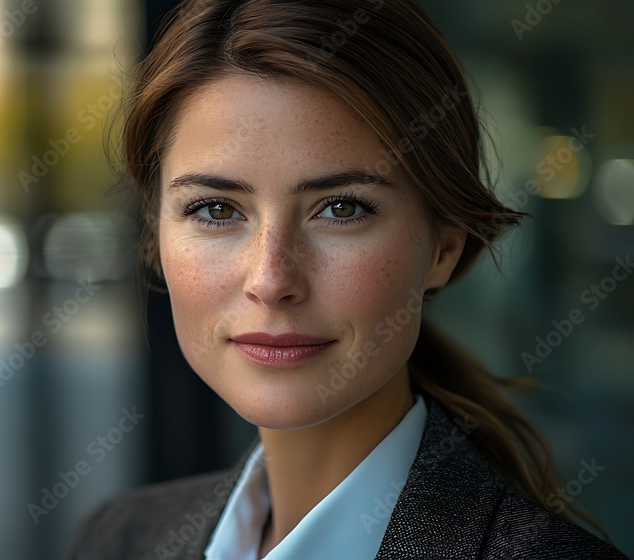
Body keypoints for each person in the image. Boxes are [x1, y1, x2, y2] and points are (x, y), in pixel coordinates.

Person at [64, 0, 630, 558]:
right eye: (215, 210)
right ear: (155, 237)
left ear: (443, 247)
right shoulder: (117, 539)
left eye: (340, 209)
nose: (271, 278)